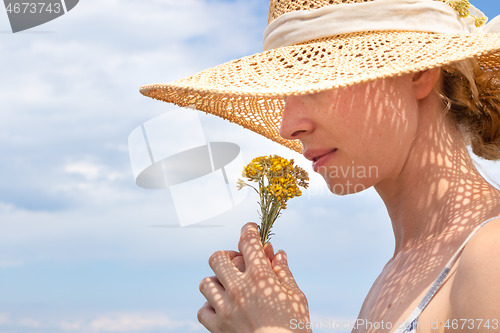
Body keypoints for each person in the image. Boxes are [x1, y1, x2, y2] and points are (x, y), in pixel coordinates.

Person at [140, 0, 500, 332]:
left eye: (316, 83)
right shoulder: (404, 268)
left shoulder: (491, 256)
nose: (287, 126)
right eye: (284, 94)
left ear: (418, 73)